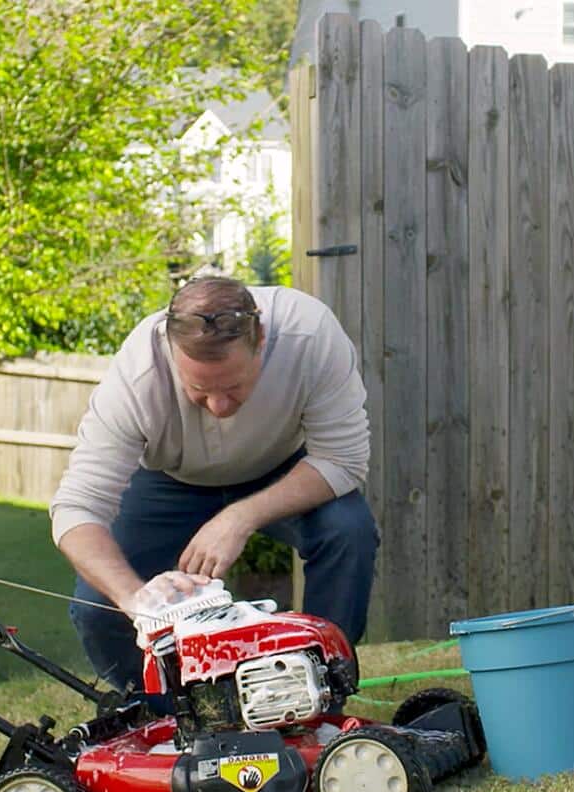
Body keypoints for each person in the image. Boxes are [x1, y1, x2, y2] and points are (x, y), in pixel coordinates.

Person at [49, 276, 379, 692]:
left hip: (281, 469)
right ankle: (161, 719)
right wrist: (136, 600)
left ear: (260, 340)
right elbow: (75, 508)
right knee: (98, 607)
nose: (219, 407)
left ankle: (318, 692)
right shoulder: (137, 375)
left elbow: (343, 460)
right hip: (167, 480)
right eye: (199, 390)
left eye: (234, 386)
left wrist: (240, 517)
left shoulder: (309, 334)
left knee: (348, 531)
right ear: (171, 353)